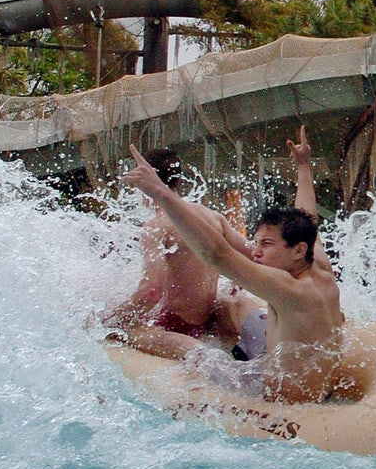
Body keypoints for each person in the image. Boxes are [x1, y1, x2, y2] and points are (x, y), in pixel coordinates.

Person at [122, 126, 350, 404]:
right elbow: (308, 218)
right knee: (237, 302)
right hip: (309, 374)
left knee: (201, 365)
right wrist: (303, 167)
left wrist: (161, 193)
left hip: (284, 398)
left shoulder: (287, 287)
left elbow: (216, 253)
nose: (255, 253)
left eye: (266, 245)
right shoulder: (318, 264)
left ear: (296, 250)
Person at [101, 148, 255, 359]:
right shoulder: (213, 216)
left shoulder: (156, 227)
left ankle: (201, 357)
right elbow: (254, 255)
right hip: (208, 320)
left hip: (174, 324)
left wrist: (112, 318)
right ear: (178, 179)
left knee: (121, 331)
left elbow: (151, 291)